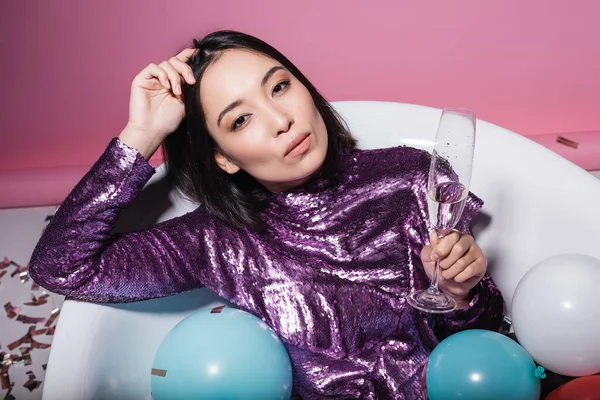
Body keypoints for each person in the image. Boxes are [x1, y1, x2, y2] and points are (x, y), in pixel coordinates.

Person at [29, 30, 504, 399]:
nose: (281, 121)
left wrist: (463, 293)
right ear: (224, 158)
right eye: (240, 119)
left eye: (279, 87)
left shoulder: (411, 176)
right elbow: (62, 266)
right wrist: (140, 135)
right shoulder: (215, 239)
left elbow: (484, 346)